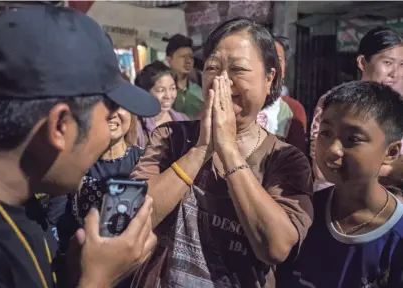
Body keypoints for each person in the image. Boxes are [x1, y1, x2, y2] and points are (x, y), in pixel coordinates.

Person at [0, 6, 159, 288]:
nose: (110, 133)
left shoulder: (22, 203)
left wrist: (72, 276)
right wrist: (98, 280)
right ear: (61, 125)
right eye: (108, 116)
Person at [131, 18, 313, 287]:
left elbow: (275, 247)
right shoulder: (171, 138)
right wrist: (202, 149)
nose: (222, 81)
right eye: (213, 67)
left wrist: (228, 149)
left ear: (269, 77)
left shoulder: (286, 160)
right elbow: (135, 218)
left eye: (238, 69)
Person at [277, 81, 403, 288]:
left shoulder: (396, 239)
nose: (333, 149)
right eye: (326, 133)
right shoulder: (303, 211)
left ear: (390, 152)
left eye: (352, 138)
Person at [310, 26, 403, 192]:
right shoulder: (336, 102)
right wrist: (390, 169)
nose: (395, 73)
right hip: (339, 199)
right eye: (387, 63)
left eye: (402, 64)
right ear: (362, 62)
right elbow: (323, 168)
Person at [135, 61, 189, 148]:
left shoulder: (183, 119)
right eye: (161, 90)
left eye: (172, 88)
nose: (168, 96)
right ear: (146, 92)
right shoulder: (138, 127)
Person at [274, 35, 308, 155]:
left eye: (277, 60)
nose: (271, 66)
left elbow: (297, 159)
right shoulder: (235, 106)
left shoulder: (293, 109)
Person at [166, 34, 204, 119]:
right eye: (183, 56)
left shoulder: (199, 92)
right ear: (169, 60)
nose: (188, 61)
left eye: (191, 57)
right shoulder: (162, 93)